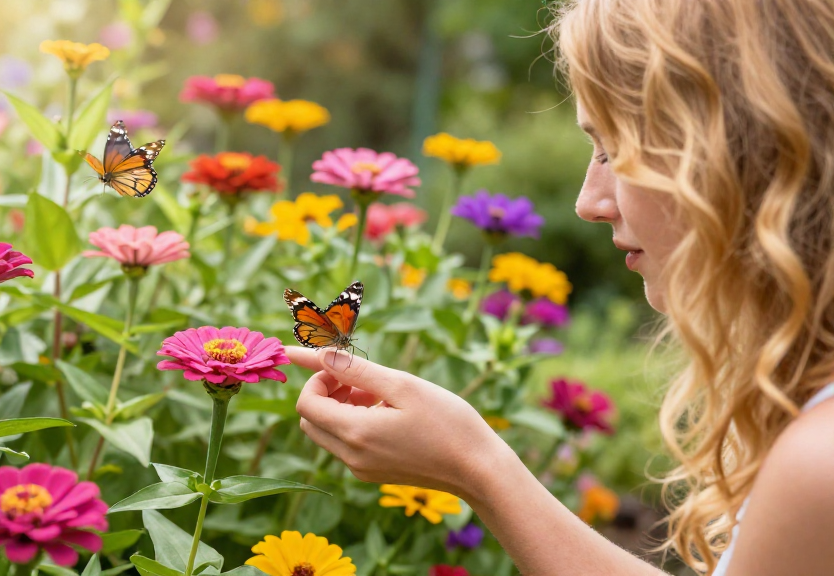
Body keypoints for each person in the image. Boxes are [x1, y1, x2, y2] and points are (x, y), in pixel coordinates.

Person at [286, 0, 834, 574]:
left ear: (738, 154)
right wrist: (478, 464)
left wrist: (474, 465)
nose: (588, 203)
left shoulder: (817, 464)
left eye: (613, 150)